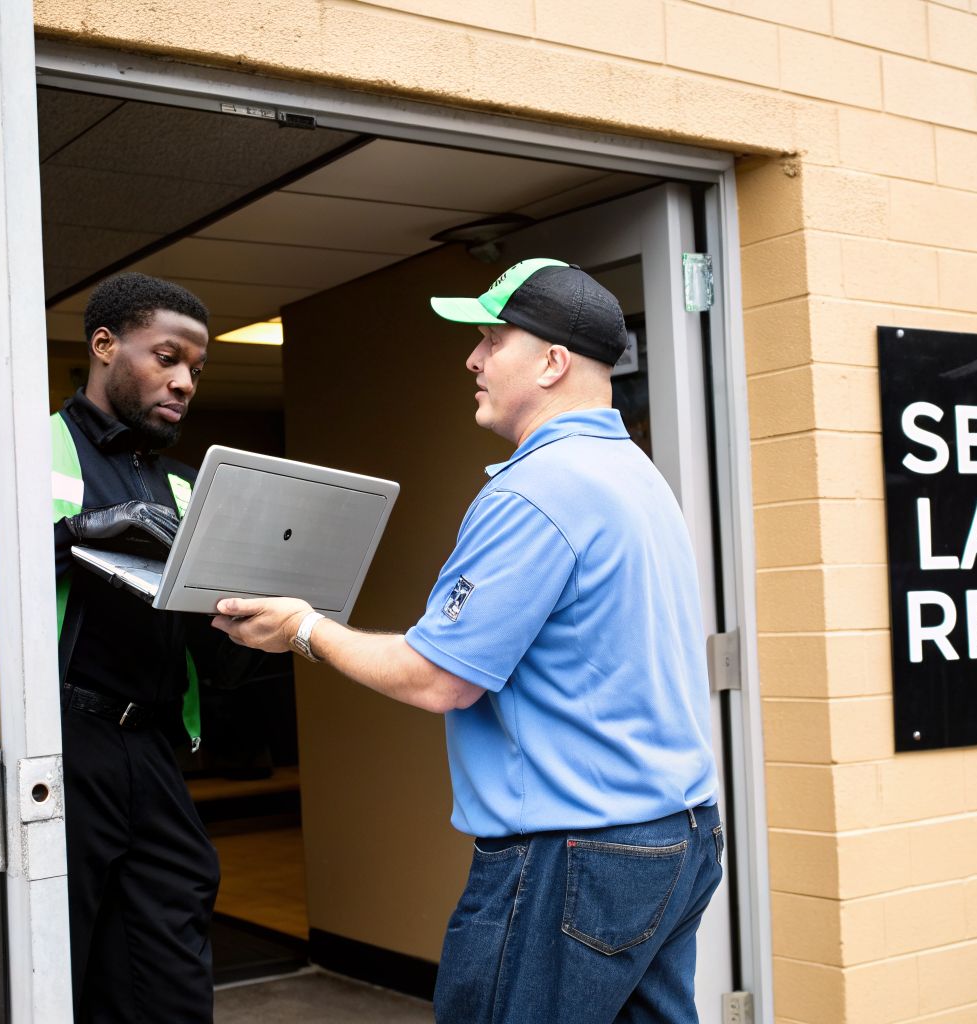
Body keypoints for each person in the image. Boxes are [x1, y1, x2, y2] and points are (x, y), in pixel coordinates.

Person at [212, 258, 724, 1024]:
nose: (472, 358)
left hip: (572, 856)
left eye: (492, 337)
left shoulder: (535, 491)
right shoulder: (635, 475)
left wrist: (303, 629)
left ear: (552, 362)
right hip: (676, 838)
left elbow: (440, 679)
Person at [51, 272, 248, 1022]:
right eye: (166, 358)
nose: (183, 381)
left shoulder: (189, 486)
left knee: (169, 948)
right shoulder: (32, 448)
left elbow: (216, 657)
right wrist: (73, 535)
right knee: (64, 949)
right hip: (67, 744)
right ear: (104, 345)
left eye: (195, 369)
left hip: (155, 747)